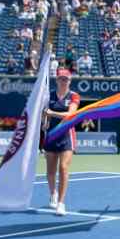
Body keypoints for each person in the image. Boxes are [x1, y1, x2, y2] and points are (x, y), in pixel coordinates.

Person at [43, 68, 80, 216]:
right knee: (51, 171)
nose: (63, 81)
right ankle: (53, 194)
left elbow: (70, 114)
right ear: (56, 80)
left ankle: (61, 203)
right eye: (60, 79)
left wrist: (52, 113)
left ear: (70, 81)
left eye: (66, 79)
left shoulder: (74, 96)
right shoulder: (48, 95)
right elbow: (44, 113)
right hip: (51, 135)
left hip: (66, 136)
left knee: (63, 168)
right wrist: (44, 120)